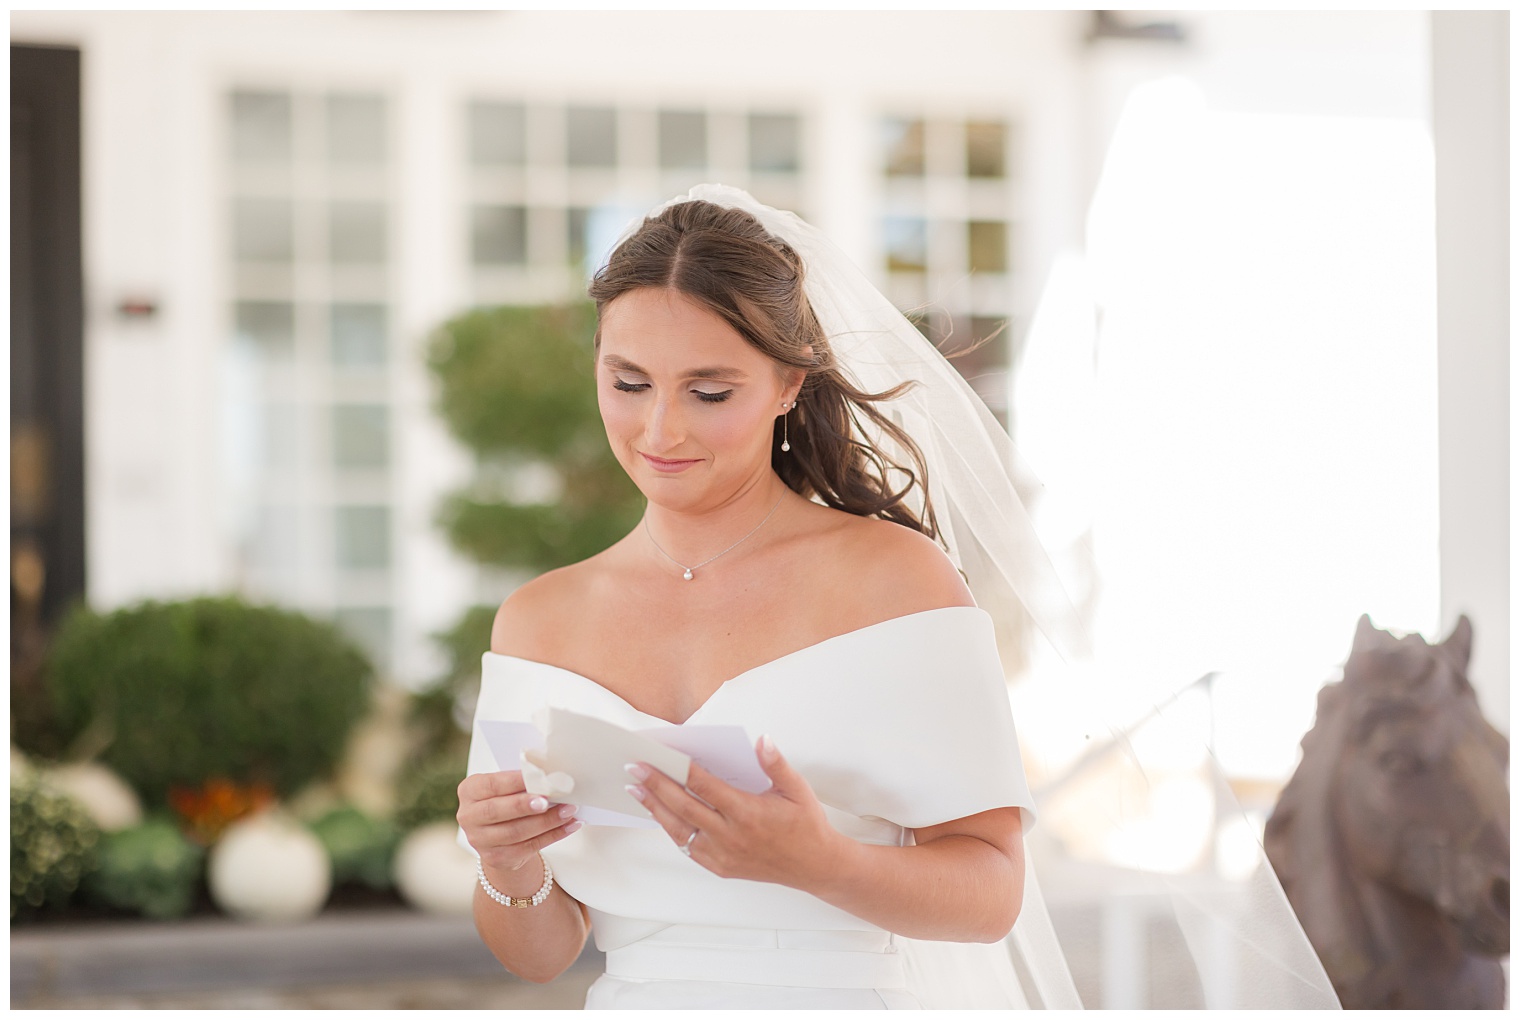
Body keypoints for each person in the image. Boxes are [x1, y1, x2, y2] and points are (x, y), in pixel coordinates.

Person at [456, 186, 1338, 1009]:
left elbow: (991, 892)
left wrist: (817, 860)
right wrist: (509, 867)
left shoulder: (893, 581)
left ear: (788, 385)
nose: (660, 430)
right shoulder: (541, 621)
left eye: (710, 391)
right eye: (629, 382)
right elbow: (537, 953)